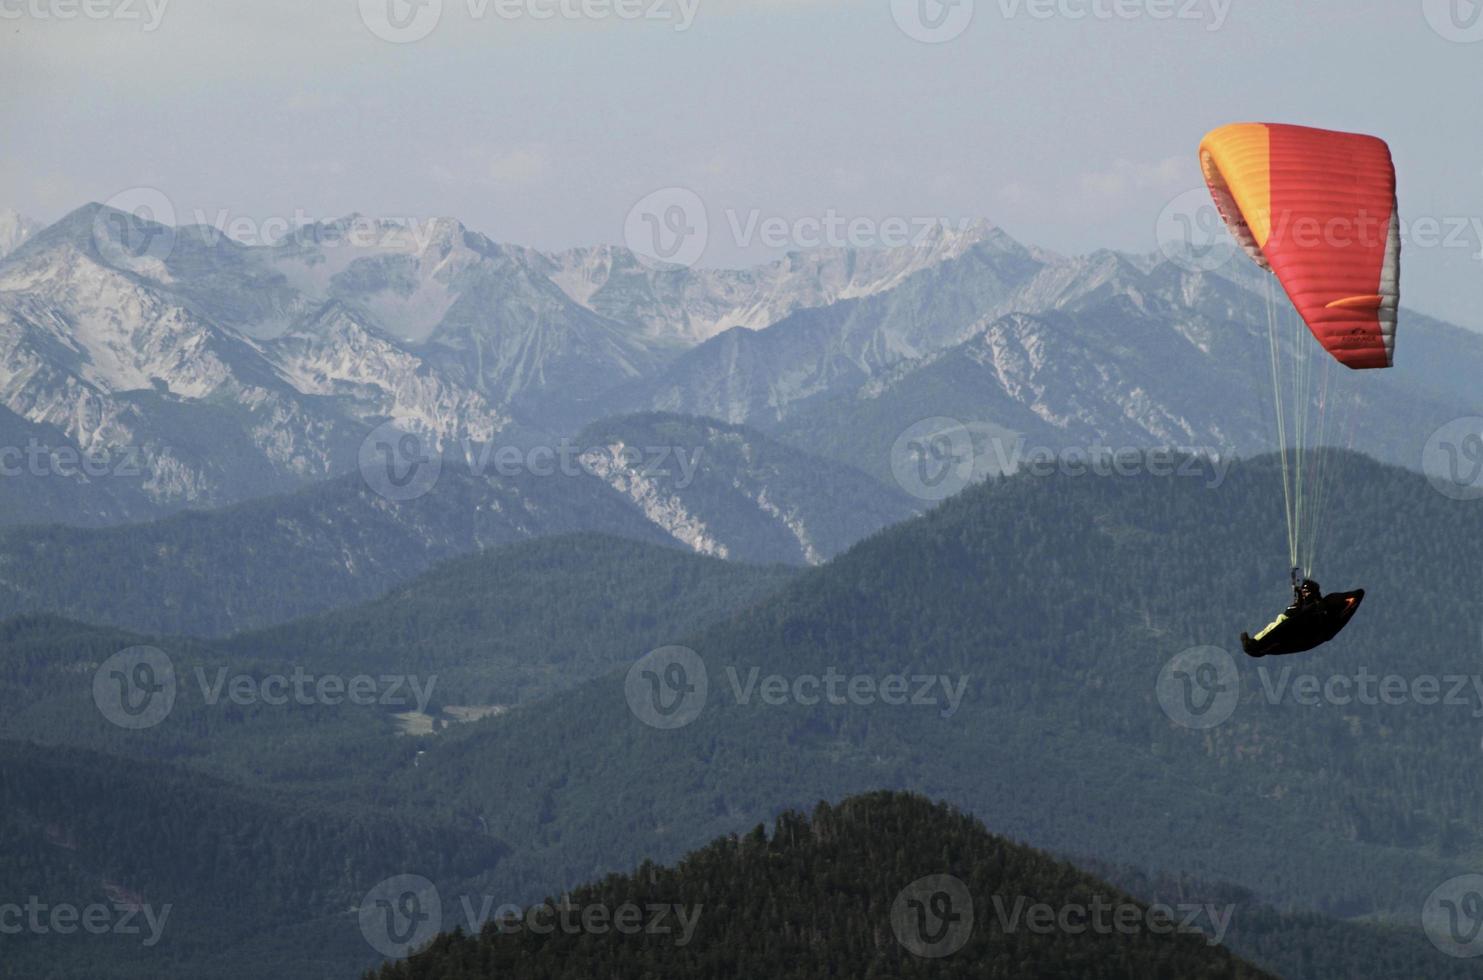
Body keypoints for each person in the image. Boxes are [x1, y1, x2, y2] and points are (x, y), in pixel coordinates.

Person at [1241, 577, 1364, 658]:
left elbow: (1358, 595)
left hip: (1310, 632)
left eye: (1307, 593)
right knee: (1284, 622)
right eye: (1304, 593)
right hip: (1305, 628)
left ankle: (1256, 646)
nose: (1305, 595)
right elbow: (1282, 625)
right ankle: (1256, 645)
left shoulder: (1325, 605)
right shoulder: (1305, 609)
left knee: (1285, 627)